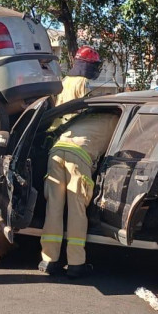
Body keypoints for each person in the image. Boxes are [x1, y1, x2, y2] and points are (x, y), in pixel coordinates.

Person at [40, 108, 119, 278]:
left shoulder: (86, 115)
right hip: (80, 155)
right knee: (77, 210)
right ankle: (75, 264)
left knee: (53, 207)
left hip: (56, 150)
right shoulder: (116, 120)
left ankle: (48, 260)